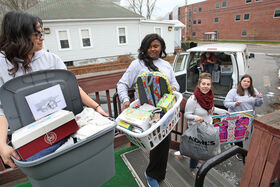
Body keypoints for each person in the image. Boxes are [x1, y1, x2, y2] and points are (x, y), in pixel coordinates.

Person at [0, 11, 108, 168]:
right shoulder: (2, 64)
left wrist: (97, 107)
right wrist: (2, 144)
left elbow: (73, 88)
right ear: (20, 36)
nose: (42, 37)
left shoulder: (50, 59)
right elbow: (2, 109)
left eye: (42, 33)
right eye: (36, 34)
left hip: (63, 127)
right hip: (32, 139)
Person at [117, 33, 179, 187]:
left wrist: (174, 87)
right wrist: (125, 100)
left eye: (156, 46)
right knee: (153, 142)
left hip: (165, 110)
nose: (153, 49)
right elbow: (122, 84)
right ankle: (152, 174)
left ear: (162, 48)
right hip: (145, 111)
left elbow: (176, 84)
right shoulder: (137, 64)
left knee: (164, 142)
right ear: (144, 48)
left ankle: (157, 174)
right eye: (149, 46)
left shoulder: (166, 65)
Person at [175, 73, 228, 175]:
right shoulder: (193, 99)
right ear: (199, 85)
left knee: (201, 148)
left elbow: (211, 109)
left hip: (207, 128)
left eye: (208, 84)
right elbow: (187, 115)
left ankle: (186, 155)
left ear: (211, 86)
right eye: (203, 84)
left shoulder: (209, 96)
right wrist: (196, 117)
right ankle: (192, 168)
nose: (205, 86)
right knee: (197, 149)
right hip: (197, 129)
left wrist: (224, 112)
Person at [224, 74, 263, 160]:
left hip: (249, 118)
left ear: (250, 83)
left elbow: (258, 104)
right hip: (237, 118)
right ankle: (239, 152)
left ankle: (254, 151)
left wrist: (260, 98)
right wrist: (234, 104)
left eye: (248, 82)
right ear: (240, 81)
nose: (246, 83)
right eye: (244, 81)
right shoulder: (233, 91)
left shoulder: (253, 91)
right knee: (239, 136)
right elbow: (226, 103)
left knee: (250, 134)